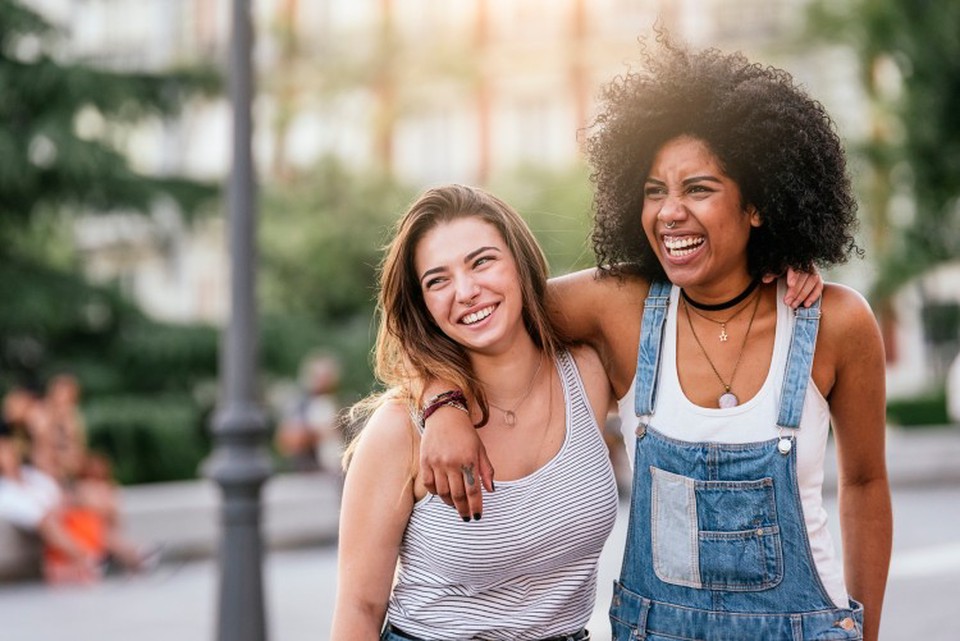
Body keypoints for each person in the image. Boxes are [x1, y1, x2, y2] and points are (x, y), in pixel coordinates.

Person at [419, 38, 891, 641]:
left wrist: (867, 631)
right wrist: (442, 403)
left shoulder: (836, 322)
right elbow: (477, 314)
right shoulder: (620, 307)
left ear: (758, 204)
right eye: (653, 191)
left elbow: (866, 483)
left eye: (698, 189)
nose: (669, 213)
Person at [330, 184, 621, 640]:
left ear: (520, 263)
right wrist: (442, 403)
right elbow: (359, 608)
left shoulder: (589, 373)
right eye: (437, 280)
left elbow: (667, 289)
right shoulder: (400, 429)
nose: (465, 291)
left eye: (482, 261)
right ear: (423, 305)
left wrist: (776, 256)